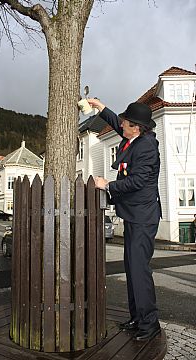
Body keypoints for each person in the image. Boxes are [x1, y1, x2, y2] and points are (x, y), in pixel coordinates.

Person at [88, 98, 162, 341]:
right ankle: (138, 318)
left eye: (125, 122)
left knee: (139, 271)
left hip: (143, 217)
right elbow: (116, 124)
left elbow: (138, 181)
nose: (121, 124)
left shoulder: (146, 147)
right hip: (134, 215)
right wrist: (100, 107)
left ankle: (150, 325)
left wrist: (108, 184)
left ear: (137, 128)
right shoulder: (133, 137)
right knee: (132, 269)